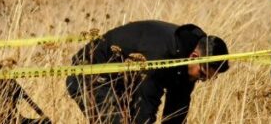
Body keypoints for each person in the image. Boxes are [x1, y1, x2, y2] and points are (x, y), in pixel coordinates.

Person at [65, 20, 229, 124]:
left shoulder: (186, 62)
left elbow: (176, 112)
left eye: (206, 78)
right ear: (194, 57)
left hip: (122, 84)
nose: (200, 80)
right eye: (202, 75)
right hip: (88, 73)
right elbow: (144, 107)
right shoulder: (162, 56)